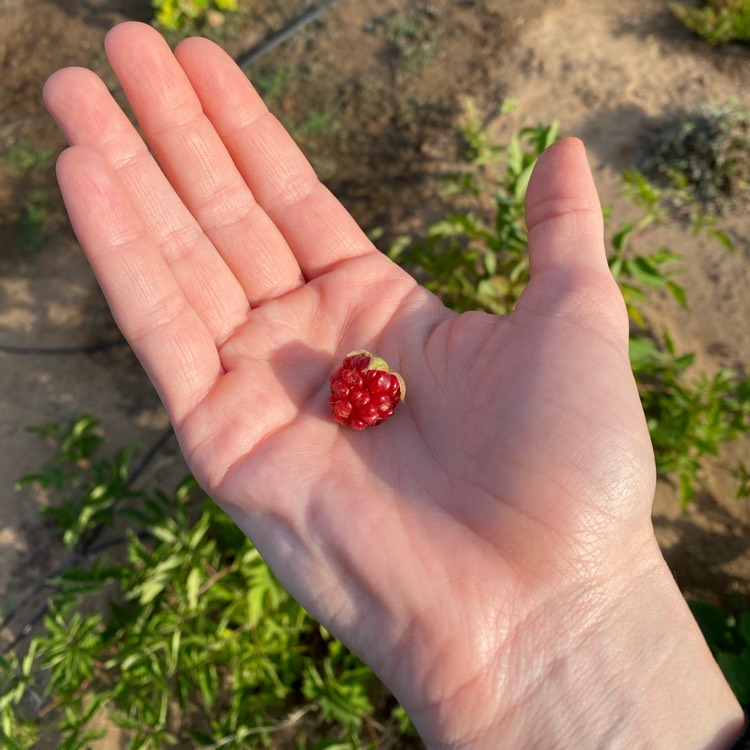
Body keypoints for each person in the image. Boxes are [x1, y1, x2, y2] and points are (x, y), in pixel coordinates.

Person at [44, 21, 745, 749]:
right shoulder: (363, 385)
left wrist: (571, 616)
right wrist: (578, 631)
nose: (364, 391)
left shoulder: (367, 389)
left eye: (368, 387)